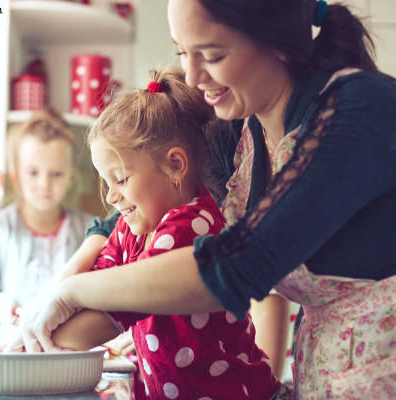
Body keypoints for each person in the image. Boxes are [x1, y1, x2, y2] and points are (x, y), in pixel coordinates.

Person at [15, 0, 396, 398]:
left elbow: (235, 266)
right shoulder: (239, 126)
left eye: (212, 55)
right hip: (336, 365)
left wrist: (73, 290)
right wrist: (57, 290)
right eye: (182, 52)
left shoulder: (361, 109)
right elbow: (122, 216)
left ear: (276, 42)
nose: (193, 76)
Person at [32, 67, 290, 399]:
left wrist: (39, 334)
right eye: (107, 183)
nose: (111, 197)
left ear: (175, 165)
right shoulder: (132, 228)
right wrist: (48, 311)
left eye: (121, 180)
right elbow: (102, 275)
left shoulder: (191, 227)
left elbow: (108, 312)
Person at [0, 108, 93, 325]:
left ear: (70, 177)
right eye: (33, 173)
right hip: (14, 339)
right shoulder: (1, 226)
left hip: (69, 342)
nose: (44, 184)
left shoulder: (89, 229)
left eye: (56, 174)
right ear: (17, 176)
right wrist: (4, 306)